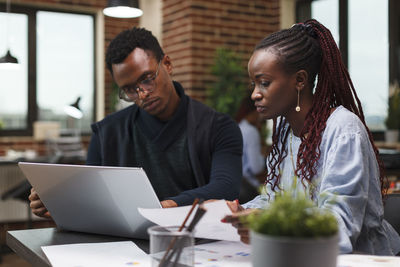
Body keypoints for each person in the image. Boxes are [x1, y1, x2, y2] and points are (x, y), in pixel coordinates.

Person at [222, 19, 400, 255]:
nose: (255, 94)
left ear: (300, 80)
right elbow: (275, 202)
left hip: (363, 258)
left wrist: (269, 222)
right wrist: (236, 211)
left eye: (264, 83)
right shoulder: (286, 129)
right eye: (253, 84)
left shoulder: (343, 130)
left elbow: (340, 230)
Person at [29, 27, 243, 217]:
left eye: (147, 79)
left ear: (167, 64)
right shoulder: (107, 133)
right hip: (124, 244)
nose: (141, 94)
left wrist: (164, 207)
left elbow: (225, 186)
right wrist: (60, 205)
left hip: (195, 241)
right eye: (129, 89)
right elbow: (94, 196)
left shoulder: (218, 127)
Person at [235, 94, 266, 203]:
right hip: (249, 190)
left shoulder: (237, 128)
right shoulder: (251, 131)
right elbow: (256, 167)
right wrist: (264, 155)